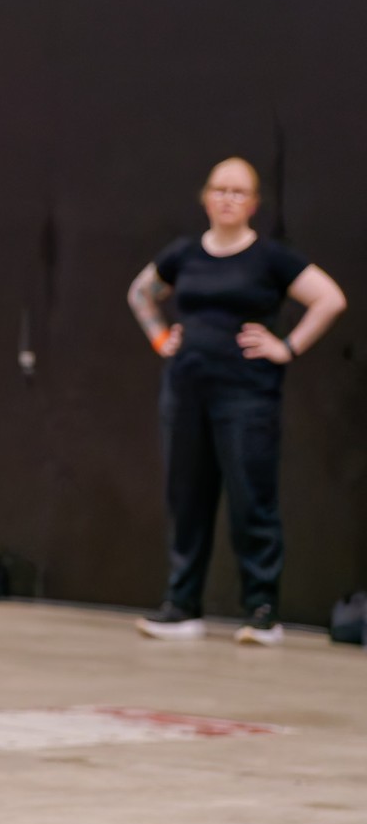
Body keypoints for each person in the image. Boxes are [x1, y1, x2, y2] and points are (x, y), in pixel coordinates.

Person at [126, 157, 346, 645]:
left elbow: (330, 298)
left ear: (253, 203)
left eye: (238, 191)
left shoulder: (270, 258)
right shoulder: (184, 254)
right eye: (220, 189)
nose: (228, 199)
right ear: (206, 197)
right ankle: (182, 607)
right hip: (186, 392)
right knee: (187, 498)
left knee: (251, 499)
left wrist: (287, 347)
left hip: (246, 396)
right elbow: (140, 293)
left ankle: (262, 611)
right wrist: (160, 337)